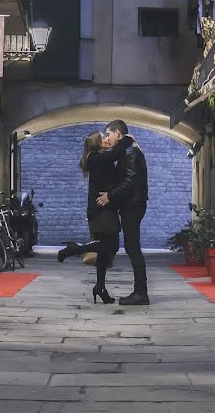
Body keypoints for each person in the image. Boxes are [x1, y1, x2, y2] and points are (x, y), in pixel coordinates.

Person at [57, 131, 132, 304]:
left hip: (105, 207)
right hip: (101, 209)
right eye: (103, 137)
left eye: (107, 136)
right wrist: (127, 139)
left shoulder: (98, 157)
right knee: (111, 246)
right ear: (96, 144)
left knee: (104, 252)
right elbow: (117, 153)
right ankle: (74, 249)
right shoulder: (95, 158)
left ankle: (100, 287)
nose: (107, 138)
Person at [97, 120, 149, 306]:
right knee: (131, 247)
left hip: (133, 205)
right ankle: (140, 292)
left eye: (108, 135)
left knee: (133, 248)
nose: (107, 139)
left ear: (118, 133)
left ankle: (141, 293)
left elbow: (130, 182)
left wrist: (110, 196)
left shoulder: (130, 152)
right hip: (132, 204)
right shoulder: (129, 150)